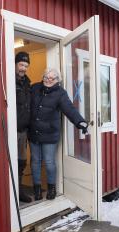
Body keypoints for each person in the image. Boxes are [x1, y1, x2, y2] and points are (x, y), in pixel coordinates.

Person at [29, 68, 88, 200]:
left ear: (58, 80)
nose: (49, 80)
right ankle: (37, 189)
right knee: (35, 162)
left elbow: (69, 109)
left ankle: (51, 188)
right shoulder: (35, 88)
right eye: (46, 77)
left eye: (53, 78)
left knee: (49, 162)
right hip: (34, 132)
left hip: (49, 134)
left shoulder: (60, 93)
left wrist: (80, 122)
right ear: (42, 77)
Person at [15, 51, 32, 203]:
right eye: (21, 64)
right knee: (11, 162)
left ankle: (19, 191)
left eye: (26, 66)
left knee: (21, 162)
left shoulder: (27, 83)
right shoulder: (10, 81)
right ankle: (11, 193)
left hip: (23, 131)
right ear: (15, 64)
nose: (24, 68)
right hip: (11, 131)